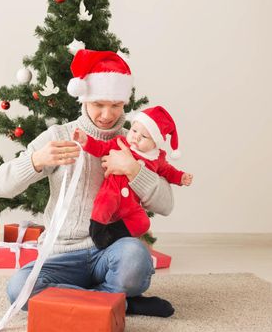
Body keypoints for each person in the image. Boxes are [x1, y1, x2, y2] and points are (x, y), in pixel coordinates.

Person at [0, 49, 175, 317]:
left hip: (110, 251)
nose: (106, 114)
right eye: (98, 104)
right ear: (84, 99)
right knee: (18, 288)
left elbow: (167, 204)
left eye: (116, 105)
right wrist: (37, 160)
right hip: (60, 254)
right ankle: (117, 301)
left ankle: (93, 299)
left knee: (136, 257)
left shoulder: (134, 143)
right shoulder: (59, 136)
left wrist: (134, 169)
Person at [73, 106, 194, 250]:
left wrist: (180, 177)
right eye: (134, 131)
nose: (136, 137)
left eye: (144, 136)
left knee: (142, 222)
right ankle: (97, 233)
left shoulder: (157, 157)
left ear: (155, 142)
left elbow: (168, 171)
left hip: (131, 203)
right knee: (103, 205)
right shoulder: (121, 142)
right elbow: (100, 148)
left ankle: (113, 234)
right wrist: (85, 141)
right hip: (113, 191)